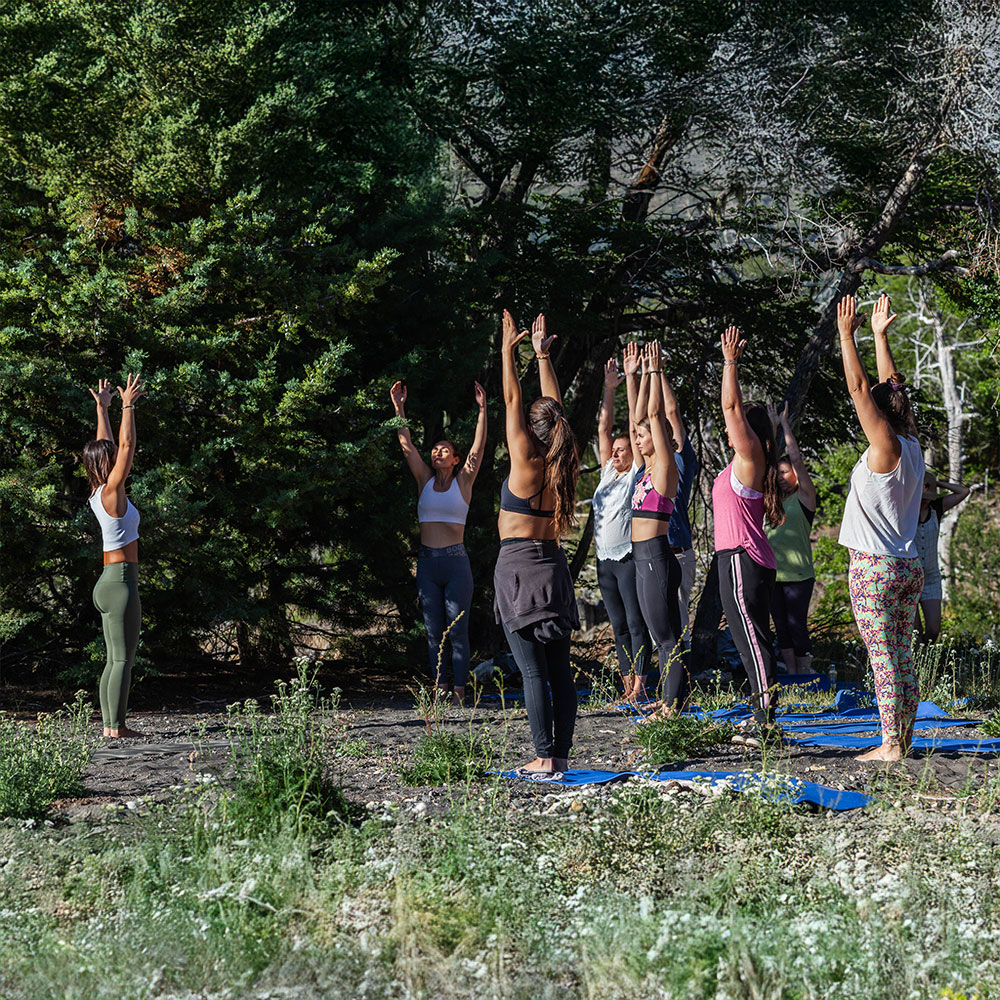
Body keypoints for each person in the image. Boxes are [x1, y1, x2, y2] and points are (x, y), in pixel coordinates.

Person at [837, 293, 924, 763]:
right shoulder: (911, 444)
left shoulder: (886, 445)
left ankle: (891, 744)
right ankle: (903, 738)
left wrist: (848, 336)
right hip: (908, 566)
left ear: (879, 415)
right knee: (903, 655)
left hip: (875, 570)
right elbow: (893, 389)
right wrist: (880, 335)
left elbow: (859, 389)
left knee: (883, 659)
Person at [495, 310, 581, 777]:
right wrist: (542, 355)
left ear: (533, 429)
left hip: (520, 570)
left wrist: (509, 352)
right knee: (559, 671)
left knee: (533, 672)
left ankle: (544, 756)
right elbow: (555, 408)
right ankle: (561, 755)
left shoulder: (526, 458)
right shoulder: (560, 462)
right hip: (554, 568)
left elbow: (512, 397)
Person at [389, 377, 487, 705]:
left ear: (456, 459)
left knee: (457, 630)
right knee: (434, 633)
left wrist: (484, 411)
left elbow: (478, 448)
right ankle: (439, 689)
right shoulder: (424, 481)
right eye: (435, 449)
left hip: (456, 564)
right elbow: (407, 446)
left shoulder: (464, 481)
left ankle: (459, 691)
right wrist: (399, 408)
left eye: (445, 449)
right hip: (428, 564)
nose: (438, 451)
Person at [714, 327, 784, 746]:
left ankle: (767, 725)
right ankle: (761, 715)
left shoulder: (750, 456)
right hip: (733, 557)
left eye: (740, 427)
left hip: (743, 557)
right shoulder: (738, 466)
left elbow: (731, 404)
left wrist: (730, 363)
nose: (730, 429)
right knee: (747, 641)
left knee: (754, 642)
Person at [83, 373, 146, 738]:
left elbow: (106, 446)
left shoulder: (97, 492)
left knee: (112, 658)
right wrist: (127, 406)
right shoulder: (112, 491)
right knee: (123, 658)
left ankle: (110, 727)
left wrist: (101, 409)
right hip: (121, 582)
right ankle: (117, 728)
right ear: (107, 466)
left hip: (106, 583)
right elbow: (124, 448)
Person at [628, 342, 684, 710]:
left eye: (644, 435)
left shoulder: (665, 467)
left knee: (665, 639)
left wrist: (654, 371)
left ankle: (670, 707)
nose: (637, 437)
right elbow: (638, 417)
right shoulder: (645, 468)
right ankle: (672, 699)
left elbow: (652, 413)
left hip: (656, 558)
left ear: (660, 438)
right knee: (664, 635)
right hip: (642, 558)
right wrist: (635, 377)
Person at [592, 353, 648, 695]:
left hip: (627, 557)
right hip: (604, 560)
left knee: (635, 621)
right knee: (617, 625)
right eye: (613, 450)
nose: (615, 453)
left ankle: (641, 683)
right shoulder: (608, 473)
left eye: (622, 449)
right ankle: (627, 684)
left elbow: (631, 429)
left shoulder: (634, 477)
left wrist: (631, 380)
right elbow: (603, 427)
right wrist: (608, 388)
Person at [765, 401, 818, 674]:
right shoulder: (771, 501)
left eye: (788, 472)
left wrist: (784, 425)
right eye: (780, 473)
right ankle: (792, 675)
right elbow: (764, 462)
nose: (783, 477)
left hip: (799, 576)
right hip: (775, 575)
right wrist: (770, 429)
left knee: (797, 623)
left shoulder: (805, 497)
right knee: (781, 626)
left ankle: (805, 674)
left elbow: (795, 458)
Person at [914, 472, 970, 643]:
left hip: (931, 577)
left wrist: (935, 484)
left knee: (933, 629)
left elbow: (963, 492)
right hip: (910, 578)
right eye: (922, 496)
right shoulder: (905, 510)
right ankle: (917, 666)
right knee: (915, 633)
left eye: (928, 496)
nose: (925, 500)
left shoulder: (937, 508)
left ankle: (925, 658)